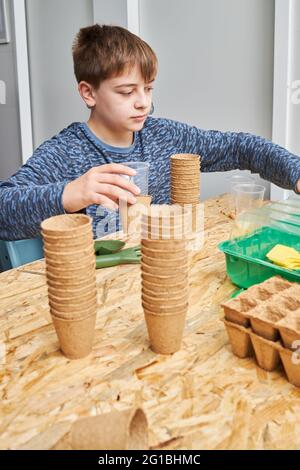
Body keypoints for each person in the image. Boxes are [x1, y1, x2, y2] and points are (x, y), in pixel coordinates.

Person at [0, 24, 299, 240]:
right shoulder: (66, 153)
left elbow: (240, 147)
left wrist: (295, 173)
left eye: (148, 88)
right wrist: (70, 193)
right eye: (127, 92)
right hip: (102, 292)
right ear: (88, 93)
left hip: (161, 275)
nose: (143, 102)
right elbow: (4, 208)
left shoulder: (163, 136)